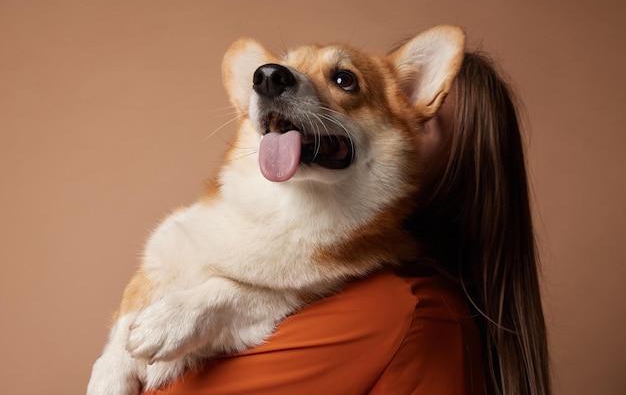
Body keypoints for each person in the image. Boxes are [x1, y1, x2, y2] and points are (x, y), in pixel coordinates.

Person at [143, 51, 551, 395]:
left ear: (467, 173)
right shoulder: (365, 290)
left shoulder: (400, 307)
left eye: (421, 118)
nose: (402, 114)